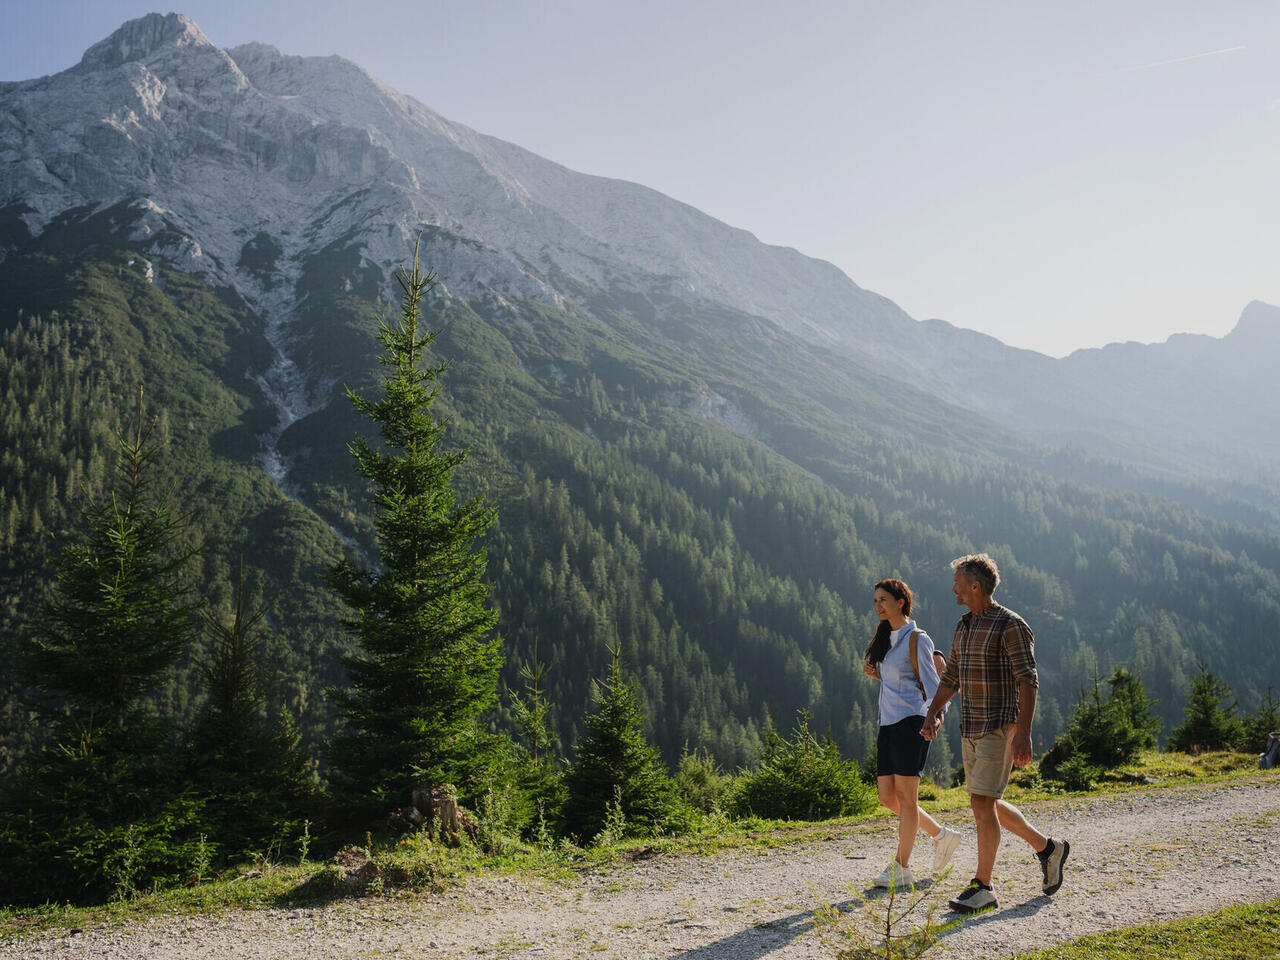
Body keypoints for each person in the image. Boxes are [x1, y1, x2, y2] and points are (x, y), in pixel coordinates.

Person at [922, 554, 1069, 913]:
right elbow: (952, 676)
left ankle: (983, 886)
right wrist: (932, 712)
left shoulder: (1011, 625)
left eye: (957, 581)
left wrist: (1024, 733)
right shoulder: (965, 625)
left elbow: (1028, 681)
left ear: (975, 586)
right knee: (987, 801)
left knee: (981, 804)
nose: (953, 587)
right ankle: (1048, 848)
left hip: (1000, 725)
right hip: (970, 725)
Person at [862, 577, 962, 889]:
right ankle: (942, 835)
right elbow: (901, 679)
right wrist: (879, 673)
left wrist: (935, 717)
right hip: (888, 724)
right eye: (876, 600)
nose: (878, 605)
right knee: (886, 796)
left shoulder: (917, 638)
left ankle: (902, 867)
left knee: (906, 797)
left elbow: (935, 685)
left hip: (912, 723)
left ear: (901, 601)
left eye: (884, 600)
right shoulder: (887, 638)